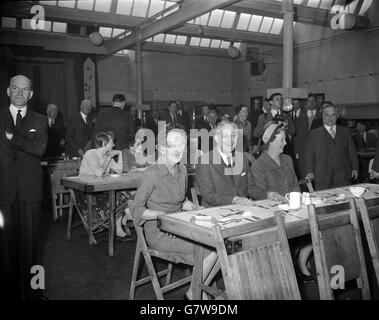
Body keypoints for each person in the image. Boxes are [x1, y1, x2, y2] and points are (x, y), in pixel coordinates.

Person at [131, 126, 218, 299]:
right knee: (213, 250)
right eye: (174, 145)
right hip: (159, 231)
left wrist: (196, 208)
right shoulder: (151, 174)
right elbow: (136, 210)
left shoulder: (183, 170)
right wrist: (163, 217)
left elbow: (181, 202)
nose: (180, 150)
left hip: (179, 225)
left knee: (219, 243)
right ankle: (196, 294)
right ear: (162, 148)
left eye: (183, 145)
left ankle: (195, 291)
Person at [0, 75, 48, 299]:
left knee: (32, 247)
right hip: (3, 190)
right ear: (8, 91)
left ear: (31, 94)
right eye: (15, 88)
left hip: (30, 191)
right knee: (4, 248)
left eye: (24, 89)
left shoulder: (39, 120)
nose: (20, 93)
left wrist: (11, 137)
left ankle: (35, 292)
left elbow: (39, 149)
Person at [78, 131, 133, 240]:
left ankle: (122, 224)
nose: (114, 145)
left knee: (121, 193)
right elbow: (99, 173)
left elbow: (119, 171)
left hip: (102, 191)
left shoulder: (107, 155)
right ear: (104, 144)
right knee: (120, 194)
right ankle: (128, 217)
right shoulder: (90, 153)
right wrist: (108, 159)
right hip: (88, 194)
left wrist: (120, 154)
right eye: (111, 143)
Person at [195, 121, 256, 207]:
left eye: (233, 136)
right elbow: (208, 195)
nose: (230, 140)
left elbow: (251, 188)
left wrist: (268, 194)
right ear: (216, 138)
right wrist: (234, 199)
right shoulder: (204, 161)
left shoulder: (242, 158)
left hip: (243, 210)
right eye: (225, 136)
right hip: (216, 212)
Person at [305, 102, 358, 190]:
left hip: (343, 175)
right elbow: (309, 155)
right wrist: (309, 171)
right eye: (327, 115)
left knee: (344, 200)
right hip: (322, 176)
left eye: (333, 115)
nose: (330, 118)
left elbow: (352, 152)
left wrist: (355, 168)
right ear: (323, 117)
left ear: (337, 116)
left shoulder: (345, 131)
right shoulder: (314, 133)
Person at [250, 122, 300, 200]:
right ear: (271, 142)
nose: (285, 143)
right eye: (282, 140)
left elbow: (295, 185)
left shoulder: (288, 159)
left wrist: (295, 200)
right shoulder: (259, 165)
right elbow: (261, 194)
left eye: (285, 139)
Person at [292, 94, 323, 179]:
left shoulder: (322, 115)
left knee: (317, 169)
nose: (311, 103)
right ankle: (305, 189)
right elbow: (296, 134)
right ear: (306, 103)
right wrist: (296, 150)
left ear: (316, 102)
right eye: (309, 101)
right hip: (303, 148)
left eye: (313, 101)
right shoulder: (300, 115)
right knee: (303, 171)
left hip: (318, 147)